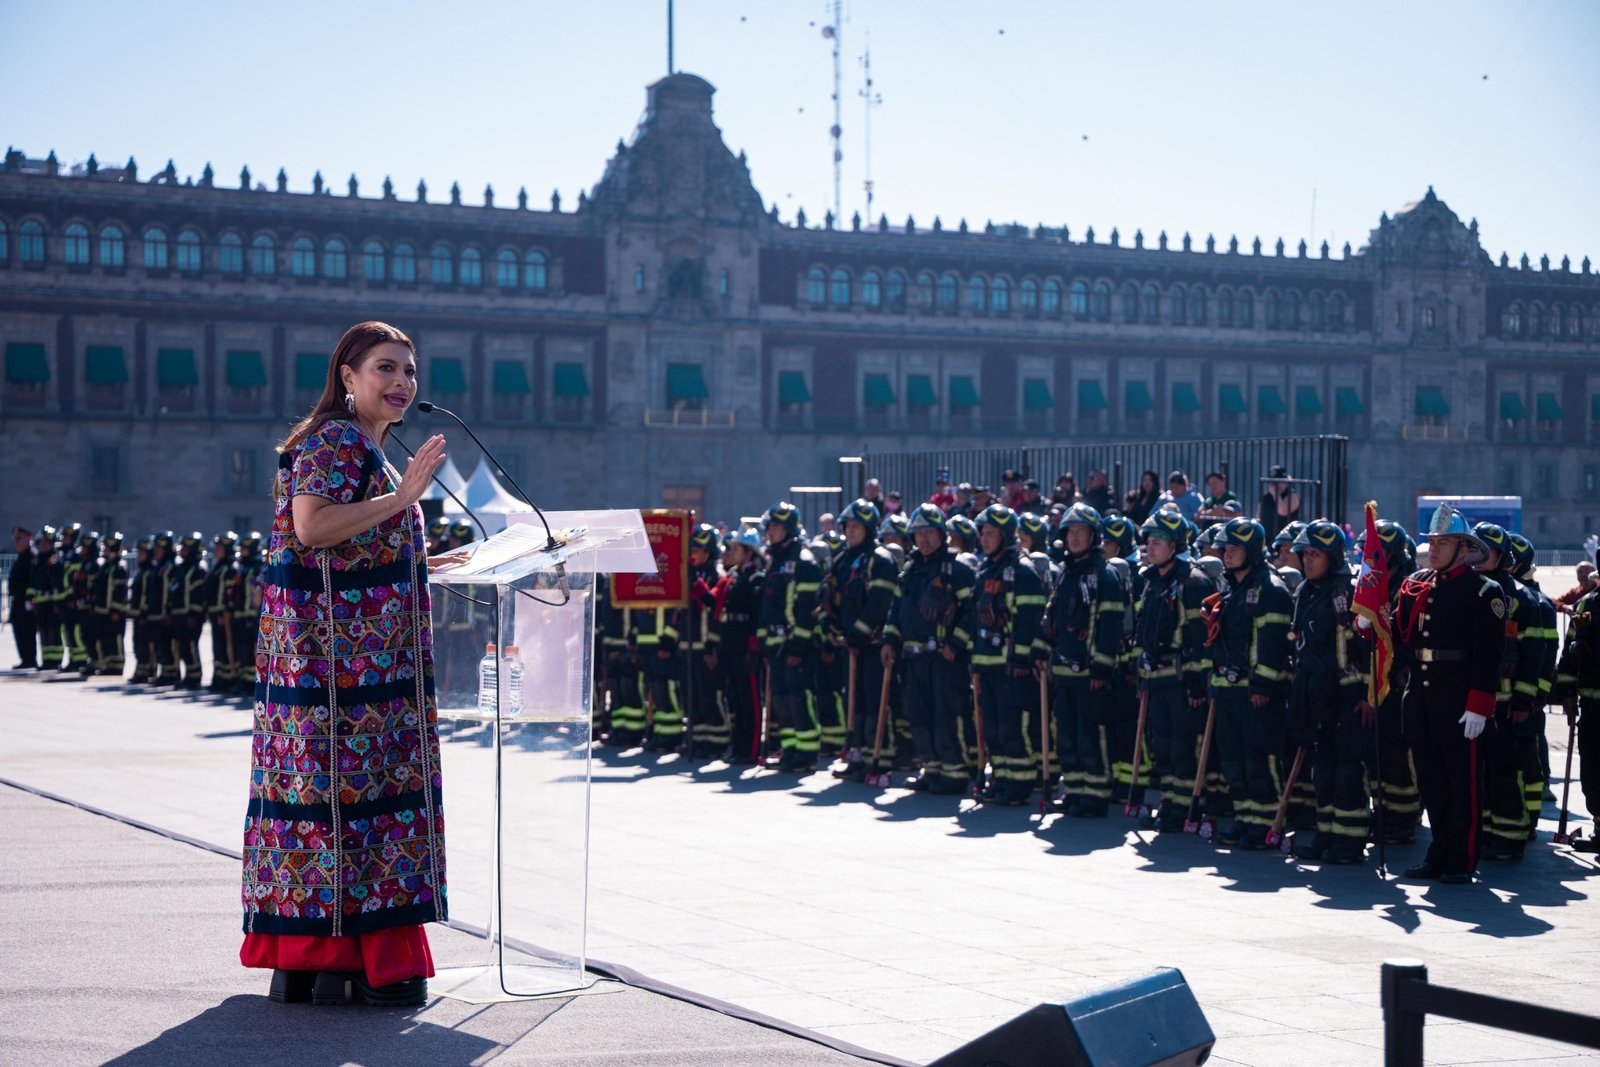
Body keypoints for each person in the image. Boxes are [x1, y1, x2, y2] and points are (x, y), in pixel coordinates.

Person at [240, 320, 450, 1007]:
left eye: (409, 372)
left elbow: (359, 545)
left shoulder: (369, 448)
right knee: (353, 803)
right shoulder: (336, 439)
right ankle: (361, 957)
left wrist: (440, 559)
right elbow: (313, 525)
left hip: (357, 672)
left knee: (345, 806)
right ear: (348, 377)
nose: (401, 383)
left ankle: (324, 958)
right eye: (385, 368)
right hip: (341, 677)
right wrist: (401, 501)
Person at [1396, 505, 1504, 885]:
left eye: (1443, 543)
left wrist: (1479, 704)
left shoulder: (1483, 591)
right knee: (1432, 783)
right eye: (1432, 541)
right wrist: (1368, 621)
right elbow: (1399, 637)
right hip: (1423, 701)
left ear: (1464, 548)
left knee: (1463, 785)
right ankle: (1438, 853)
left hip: (1459, 701)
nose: (1435, 549)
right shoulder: (1419, 584)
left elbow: (1490, 656)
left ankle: (1461, 859)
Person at [1285, 521, 1371, 864]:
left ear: (1332, 557)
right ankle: (1327, 833)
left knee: (1347, 770)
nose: (1307, 560)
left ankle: (1349, 843)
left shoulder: (1348, 592)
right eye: (1305, 554)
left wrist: (1368, 695)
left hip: (1348, 698)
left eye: (1315, 554)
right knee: (1322, 768)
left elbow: (1368, 648)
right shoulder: (1307, 591)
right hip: (1314, 695)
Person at [1209, 517, 1294, 850]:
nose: (1227, 555)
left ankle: (1266, 823)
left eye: (1235, 549)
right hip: (1229, 690)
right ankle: (1245, 819)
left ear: (1252, 552)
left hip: (1256, 694)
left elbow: (1271, 645)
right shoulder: (1231, 589)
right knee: (1233, 759)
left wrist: (1262, 685)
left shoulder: (1270, 590)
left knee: (1259, 758)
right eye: (1226, 548)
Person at [882, 504, 976, 794]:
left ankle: (954, 772)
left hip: (944, 658)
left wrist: (955, 643)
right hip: (914, 657)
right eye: (918, 532)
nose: (923, 538)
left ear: (941, 534)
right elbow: (897, 609)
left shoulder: (957, 567)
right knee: (918, 715)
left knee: (946, 714)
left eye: (929, 532)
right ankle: (931, 767)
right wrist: (889, 640)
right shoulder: (910, 570)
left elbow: (972, 611)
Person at [1132, 512, 1213, 830]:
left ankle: (1183, 807)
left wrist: (1196, 683)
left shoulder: (1192, 582)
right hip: (1156, 680)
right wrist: (1140, 673)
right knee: (1161, 746)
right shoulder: (1152, 581)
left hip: (1181, 683)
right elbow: (1143, 632)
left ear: (1175, 545)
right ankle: (1169, 800)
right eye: (1148, 542)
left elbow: (1199, 637)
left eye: (1157, 543)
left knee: (1182, 745)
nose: (1150, 549)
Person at [1044, 504, 1126, 817]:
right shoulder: (1066, 572)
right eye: (1070, 532)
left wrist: (1102, 668)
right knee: (1065, 735)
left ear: (1094, 536)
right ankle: (1076, 789)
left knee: (1090, 735)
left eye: (1081, 532)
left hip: (1091, 673)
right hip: (1064, 670)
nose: (1075, 538)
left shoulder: (1105, 575)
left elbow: (1110, 625)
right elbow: (1053, 615)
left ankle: (1097, 793)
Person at [1471, 522, 1542, 861]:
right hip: (1473, 701)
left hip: (1505, 704)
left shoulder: (1521, 599)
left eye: (1486, 552)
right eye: (1474, 550)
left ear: (1501, 557)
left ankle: (1510, 838)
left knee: (1503, 772)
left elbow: (1533, 657)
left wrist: (1524, 700)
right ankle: (1486, 835)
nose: (1478, 557)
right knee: (1479, 771)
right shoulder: (1468, 590)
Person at [971, 505, 1047, 804]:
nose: (985, 539)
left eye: (991, 534)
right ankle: (1001, 778)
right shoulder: (985, 570)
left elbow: (1030, 619)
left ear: (1006, 536)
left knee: (1011, 728)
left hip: (1011, 667)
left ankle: (1019, 785)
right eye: (983, 533)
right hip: (986, 664)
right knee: (991, 729)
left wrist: (1020, 659)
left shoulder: (1022, 572)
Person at [758, 501, 824, 774]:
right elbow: (766, 606)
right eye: (769, 527)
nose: (770, 532)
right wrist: (763, 639)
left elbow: (808, 610)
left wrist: (798, 643)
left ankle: (806, 754)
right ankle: (790, 750)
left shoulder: (804, 562)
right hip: (776, 643)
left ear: (789, 529)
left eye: (775, 527)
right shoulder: (774, 561)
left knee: (799, 698)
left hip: (798, 645)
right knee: (782, 702)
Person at [1554, 543, 1600, 818]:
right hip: (1593, 709)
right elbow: (1571, 652)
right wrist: (1567, 694)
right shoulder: (1587, 606)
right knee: (1594, 773)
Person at [713, 529, 765, 764]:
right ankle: (737, 746)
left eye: (735, 549)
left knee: (750, 700)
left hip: (745, 645)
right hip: (731, 644)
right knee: (735, 698)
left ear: (748, 552)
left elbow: (758, 616)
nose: (731, 552)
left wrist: (753, 648)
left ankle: (751, 750)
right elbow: (713, 603)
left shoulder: (756, 578)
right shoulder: (733, 577)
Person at [9, 526, 39, 669]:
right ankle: (24, 658)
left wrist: (30, 597)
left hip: (26, 600)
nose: (17, 542)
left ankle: (30, 659)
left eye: (19, 539)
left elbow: (33, 579)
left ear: (28, 539)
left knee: (27, 630)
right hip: (17, 600)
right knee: (18, 629)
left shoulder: (31, 557)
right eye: (16, 539)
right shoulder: (21, 557)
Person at [1258, 465, 1301, 543]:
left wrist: (1275, 494)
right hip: (1267, 539)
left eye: (1280, 481)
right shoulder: (1266, 498)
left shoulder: (1292, 495)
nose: (1277, 485)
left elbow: (1283, 512)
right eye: (1273, 483)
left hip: (1286, 539)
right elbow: (1258, 517)